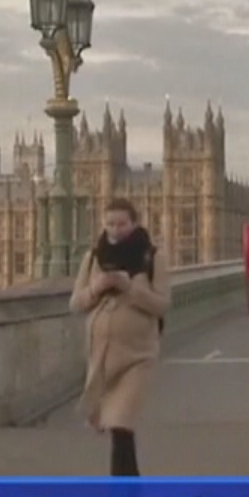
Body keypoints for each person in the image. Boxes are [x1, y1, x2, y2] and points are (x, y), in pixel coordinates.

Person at [71, 197, 172, 477]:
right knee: (119, 430)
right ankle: (130, 489)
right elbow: (76, 304)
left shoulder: (152, 257)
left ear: (135, 223)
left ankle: (120, 494)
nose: (116, 229)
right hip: (103, 359)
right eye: (110, 224)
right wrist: (96, 288)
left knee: (120, 424)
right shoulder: (93, 258)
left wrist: (130, 288)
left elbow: (162, 305)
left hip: (138, 357)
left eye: (122, 224)